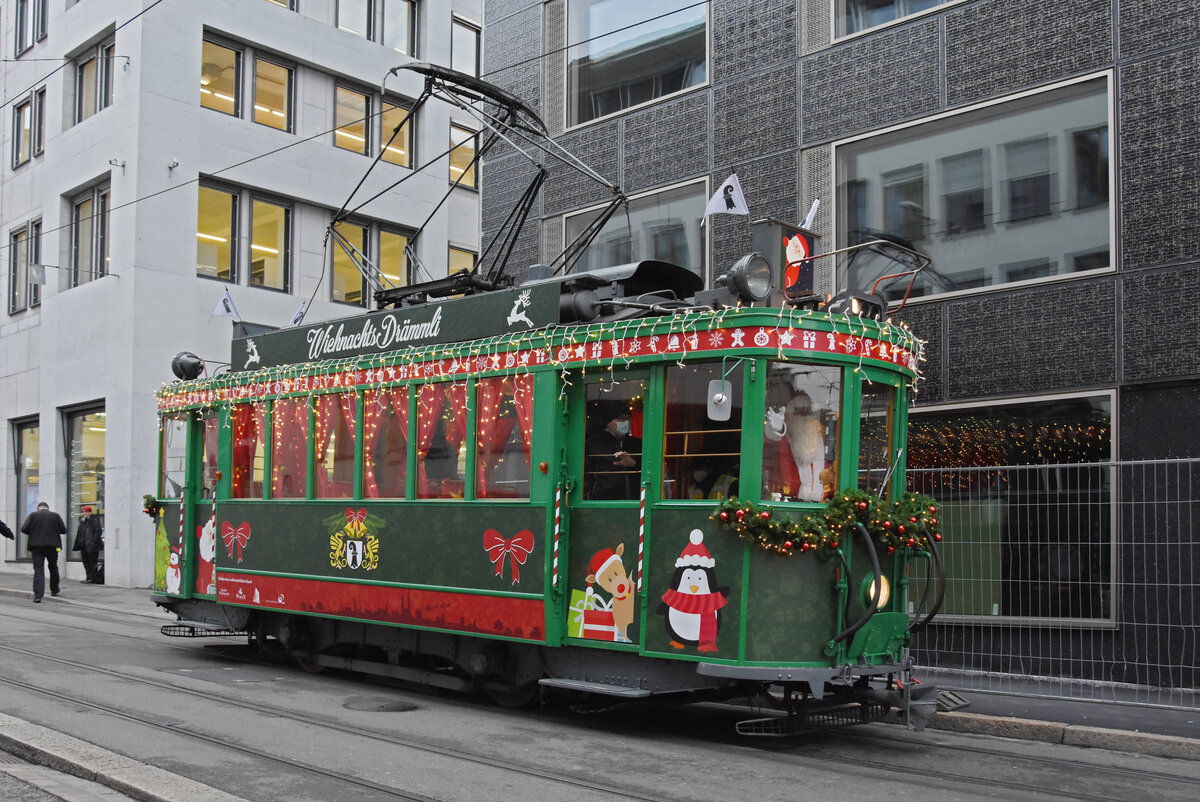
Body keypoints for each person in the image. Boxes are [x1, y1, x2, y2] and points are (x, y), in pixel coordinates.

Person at [585, 401, 642, 500]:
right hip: (604, 505)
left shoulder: (638, 443)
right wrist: (589, 503)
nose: (626, 422)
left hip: (637, 503)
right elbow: (586, 478)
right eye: (620, 419)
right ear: (608, 422)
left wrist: (634, 463)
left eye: (628, 418)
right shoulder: (594, 445)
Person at [21, 501, 67, 603]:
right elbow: (64, 530)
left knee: (38, 570)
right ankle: (54, 589)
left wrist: (34, 531)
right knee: (53, 566)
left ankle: (38, 595)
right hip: (53, 546)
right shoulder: (55, 516)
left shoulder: (33, 516)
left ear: (38, 508)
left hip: (37, 547)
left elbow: (24, 529)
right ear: (48, 508)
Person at [73, 505, 104, 584]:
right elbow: (80, 532)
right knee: (85, 561)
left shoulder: (94, 520)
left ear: (90, 512)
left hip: (92, 545)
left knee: (92, 562)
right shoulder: (82, 520)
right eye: (83, 512)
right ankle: (88, 576)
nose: (84, 513)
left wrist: (93, 541)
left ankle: (93, 578)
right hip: (84, 544)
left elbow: (98, 531)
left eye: (86, 512)